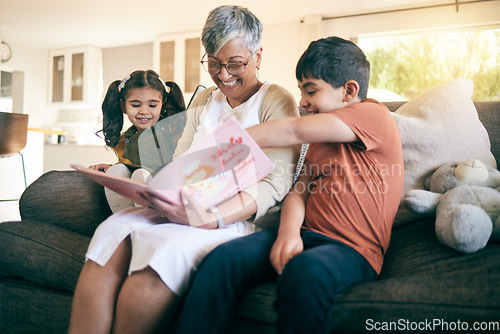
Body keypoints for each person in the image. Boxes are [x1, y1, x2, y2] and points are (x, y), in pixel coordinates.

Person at [68, 5, 299, 334]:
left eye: (235, 64)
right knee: (110, 238)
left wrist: (211, 218)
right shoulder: (206, 102)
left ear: (258, 56)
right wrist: (157, 192)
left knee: (159, 258)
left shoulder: (274, 100)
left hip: (234, 217)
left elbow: (275, 185)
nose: (223, 75)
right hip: (183, 204)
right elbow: (180, 162)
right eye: (214, 63)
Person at [174, 36, 405, 334]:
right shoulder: (321, 141)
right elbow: (299, 191)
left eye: (311, 91)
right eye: (301, 91)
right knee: (223, 259)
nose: (302, 102)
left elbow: (292, 128)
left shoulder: (374, 115)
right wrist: (287, 234)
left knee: (305, 271)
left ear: (349, 91)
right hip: (307, 235)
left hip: (353, 251)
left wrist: (226, 143)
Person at [89, 69, 186, 213]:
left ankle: (151, 221)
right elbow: (129, 165)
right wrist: (112, 167)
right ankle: (128, 223)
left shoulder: (173, 132)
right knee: (117, 171)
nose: (144, 111)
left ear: (162, 104)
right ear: (123, 106)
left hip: (168, 191)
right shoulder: (124, 140)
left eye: (152, 105)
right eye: (136, 105)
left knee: (140, 175)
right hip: (137, 194)